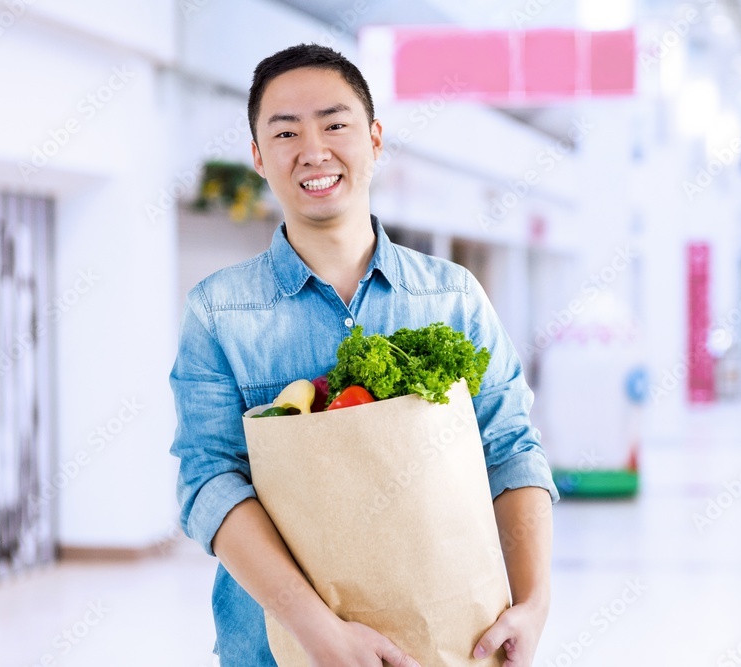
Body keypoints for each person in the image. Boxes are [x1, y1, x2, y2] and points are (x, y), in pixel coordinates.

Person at [169, 43, 559, 666]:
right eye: (286, 132)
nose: (313, 150)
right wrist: (316, 631)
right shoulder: (218, 312)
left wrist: (534, 603)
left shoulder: (451, 296)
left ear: (375, 139)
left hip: (449, 642)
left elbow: (510, 449)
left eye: (335, 124)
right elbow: (207, 482)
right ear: (258, 158)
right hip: (274, 651)